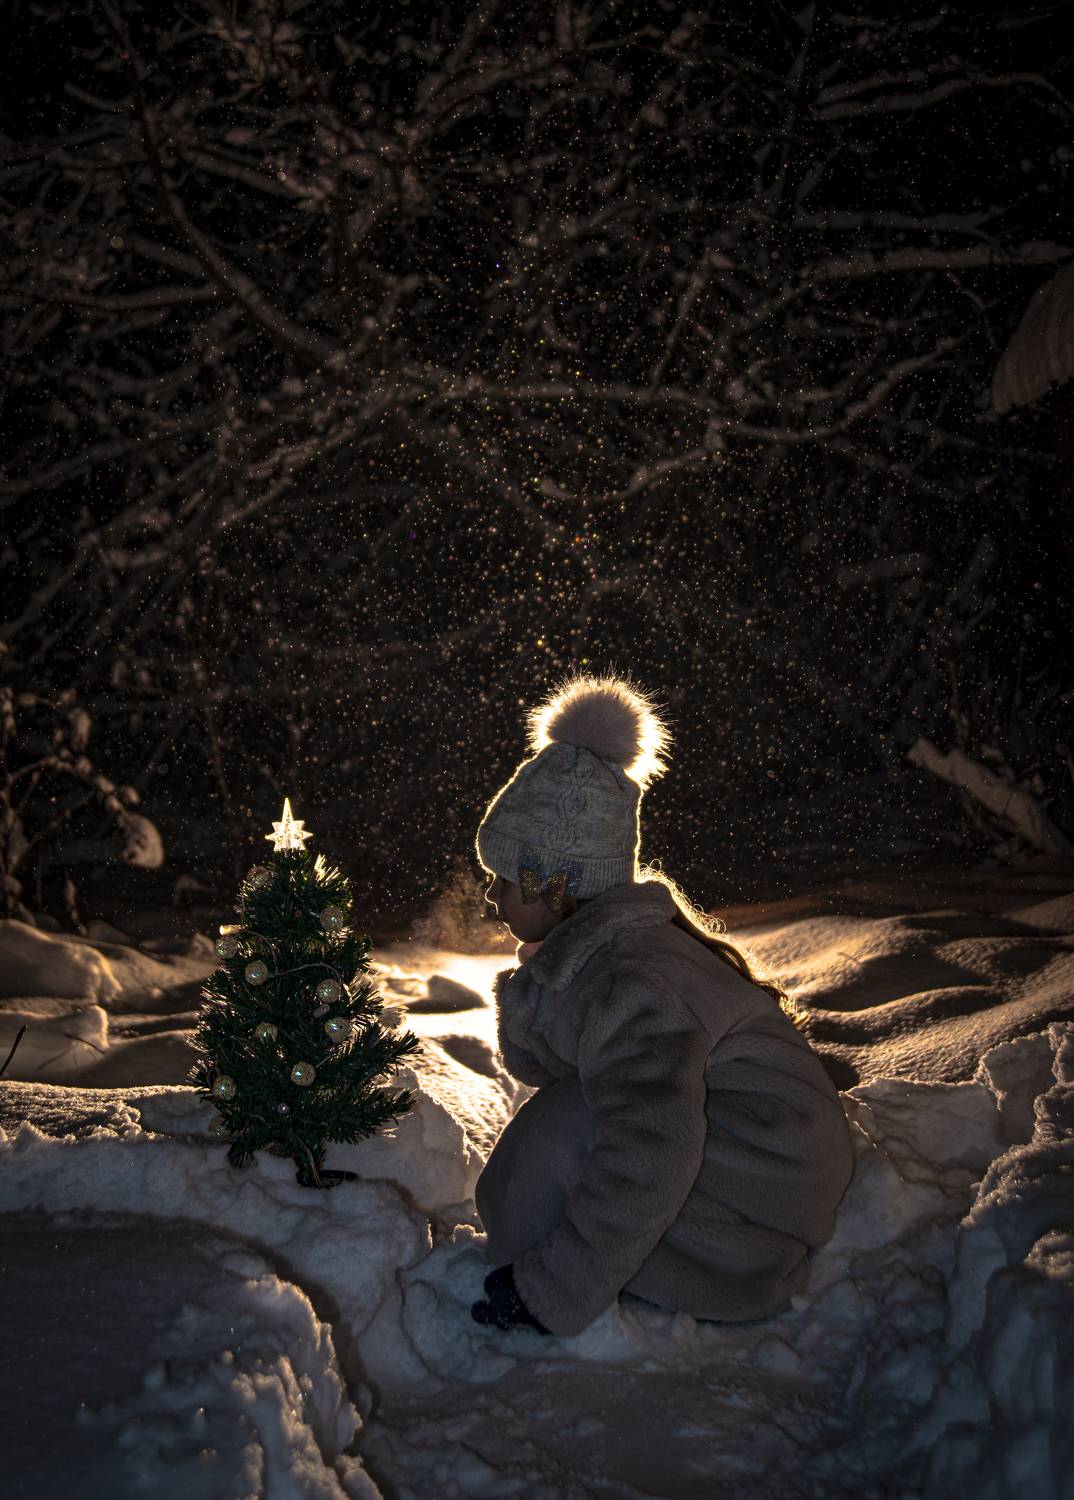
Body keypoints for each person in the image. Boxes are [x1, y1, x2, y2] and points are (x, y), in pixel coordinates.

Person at [469, 671, 856, 1339]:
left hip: (766, 1193)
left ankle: (686, 1267)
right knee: (554, 1141)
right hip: (759, 1169)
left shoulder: (630, 980)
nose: (490, 896)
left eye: (502, 878)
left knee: (564, 1136)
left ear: (553, 885)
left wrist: (552, 1291)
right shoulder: (609, 958)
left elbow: (653, 1141)